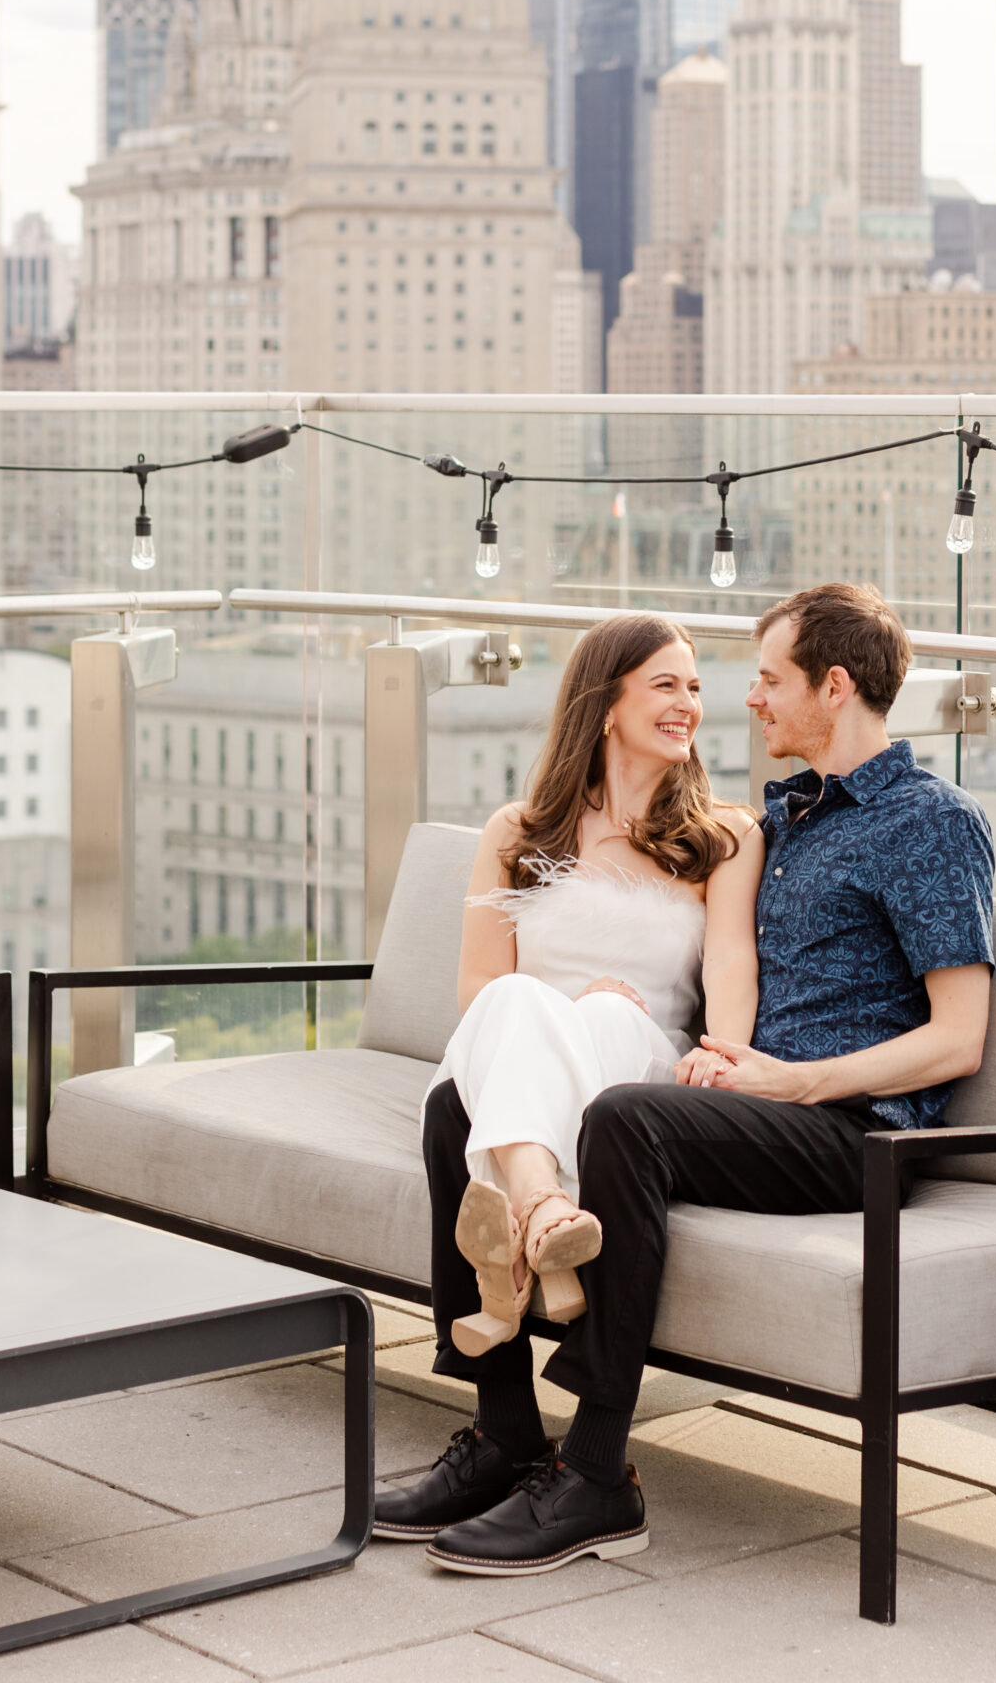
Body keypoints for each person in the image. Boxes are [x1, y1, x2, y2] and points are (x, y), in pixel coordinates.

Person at [379, 580, 996, 1577]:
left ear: (832, 687)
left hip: (851, 1130)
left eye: (764, 679)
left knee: (628, 1119)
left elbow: (959, 1038)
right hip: (742, 1096)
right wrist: (724, 1057)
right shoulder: (789, 819)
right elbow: (720, 981)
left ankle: (597, 1475)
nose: (743, 701)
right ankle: (505, 1433)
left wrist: (794, 1079)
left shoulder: (929, 821)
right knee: (461, 1100)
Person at [373, 609, 760, 1540]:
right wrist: (562, 1002)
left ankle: (519, 1262)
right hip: (526, 1065)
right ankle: (544, 1216)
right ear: (606, 696)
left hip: (637, 1073)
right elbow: (479, 987)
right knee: (518, 1010)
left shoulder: (723, 837)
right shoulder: (518, 828)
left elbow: (731, 978)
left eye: (696, 687)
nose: (688, 705)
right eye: (665, 684)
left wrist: (722, 1053)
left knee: (585, 1018)